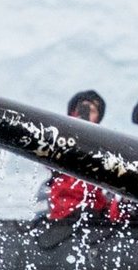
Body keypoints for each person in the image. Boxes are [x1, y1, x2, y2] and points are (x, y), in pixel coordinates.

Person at [44, 90, 126, 223]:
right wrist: (77, 127)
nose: (87, 113)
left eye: (93, 111)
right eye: (83, 108)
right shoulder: (59, 137)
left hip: (95, 208)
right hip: (64, 209)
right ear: (73, 111)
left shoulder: (102, 144)